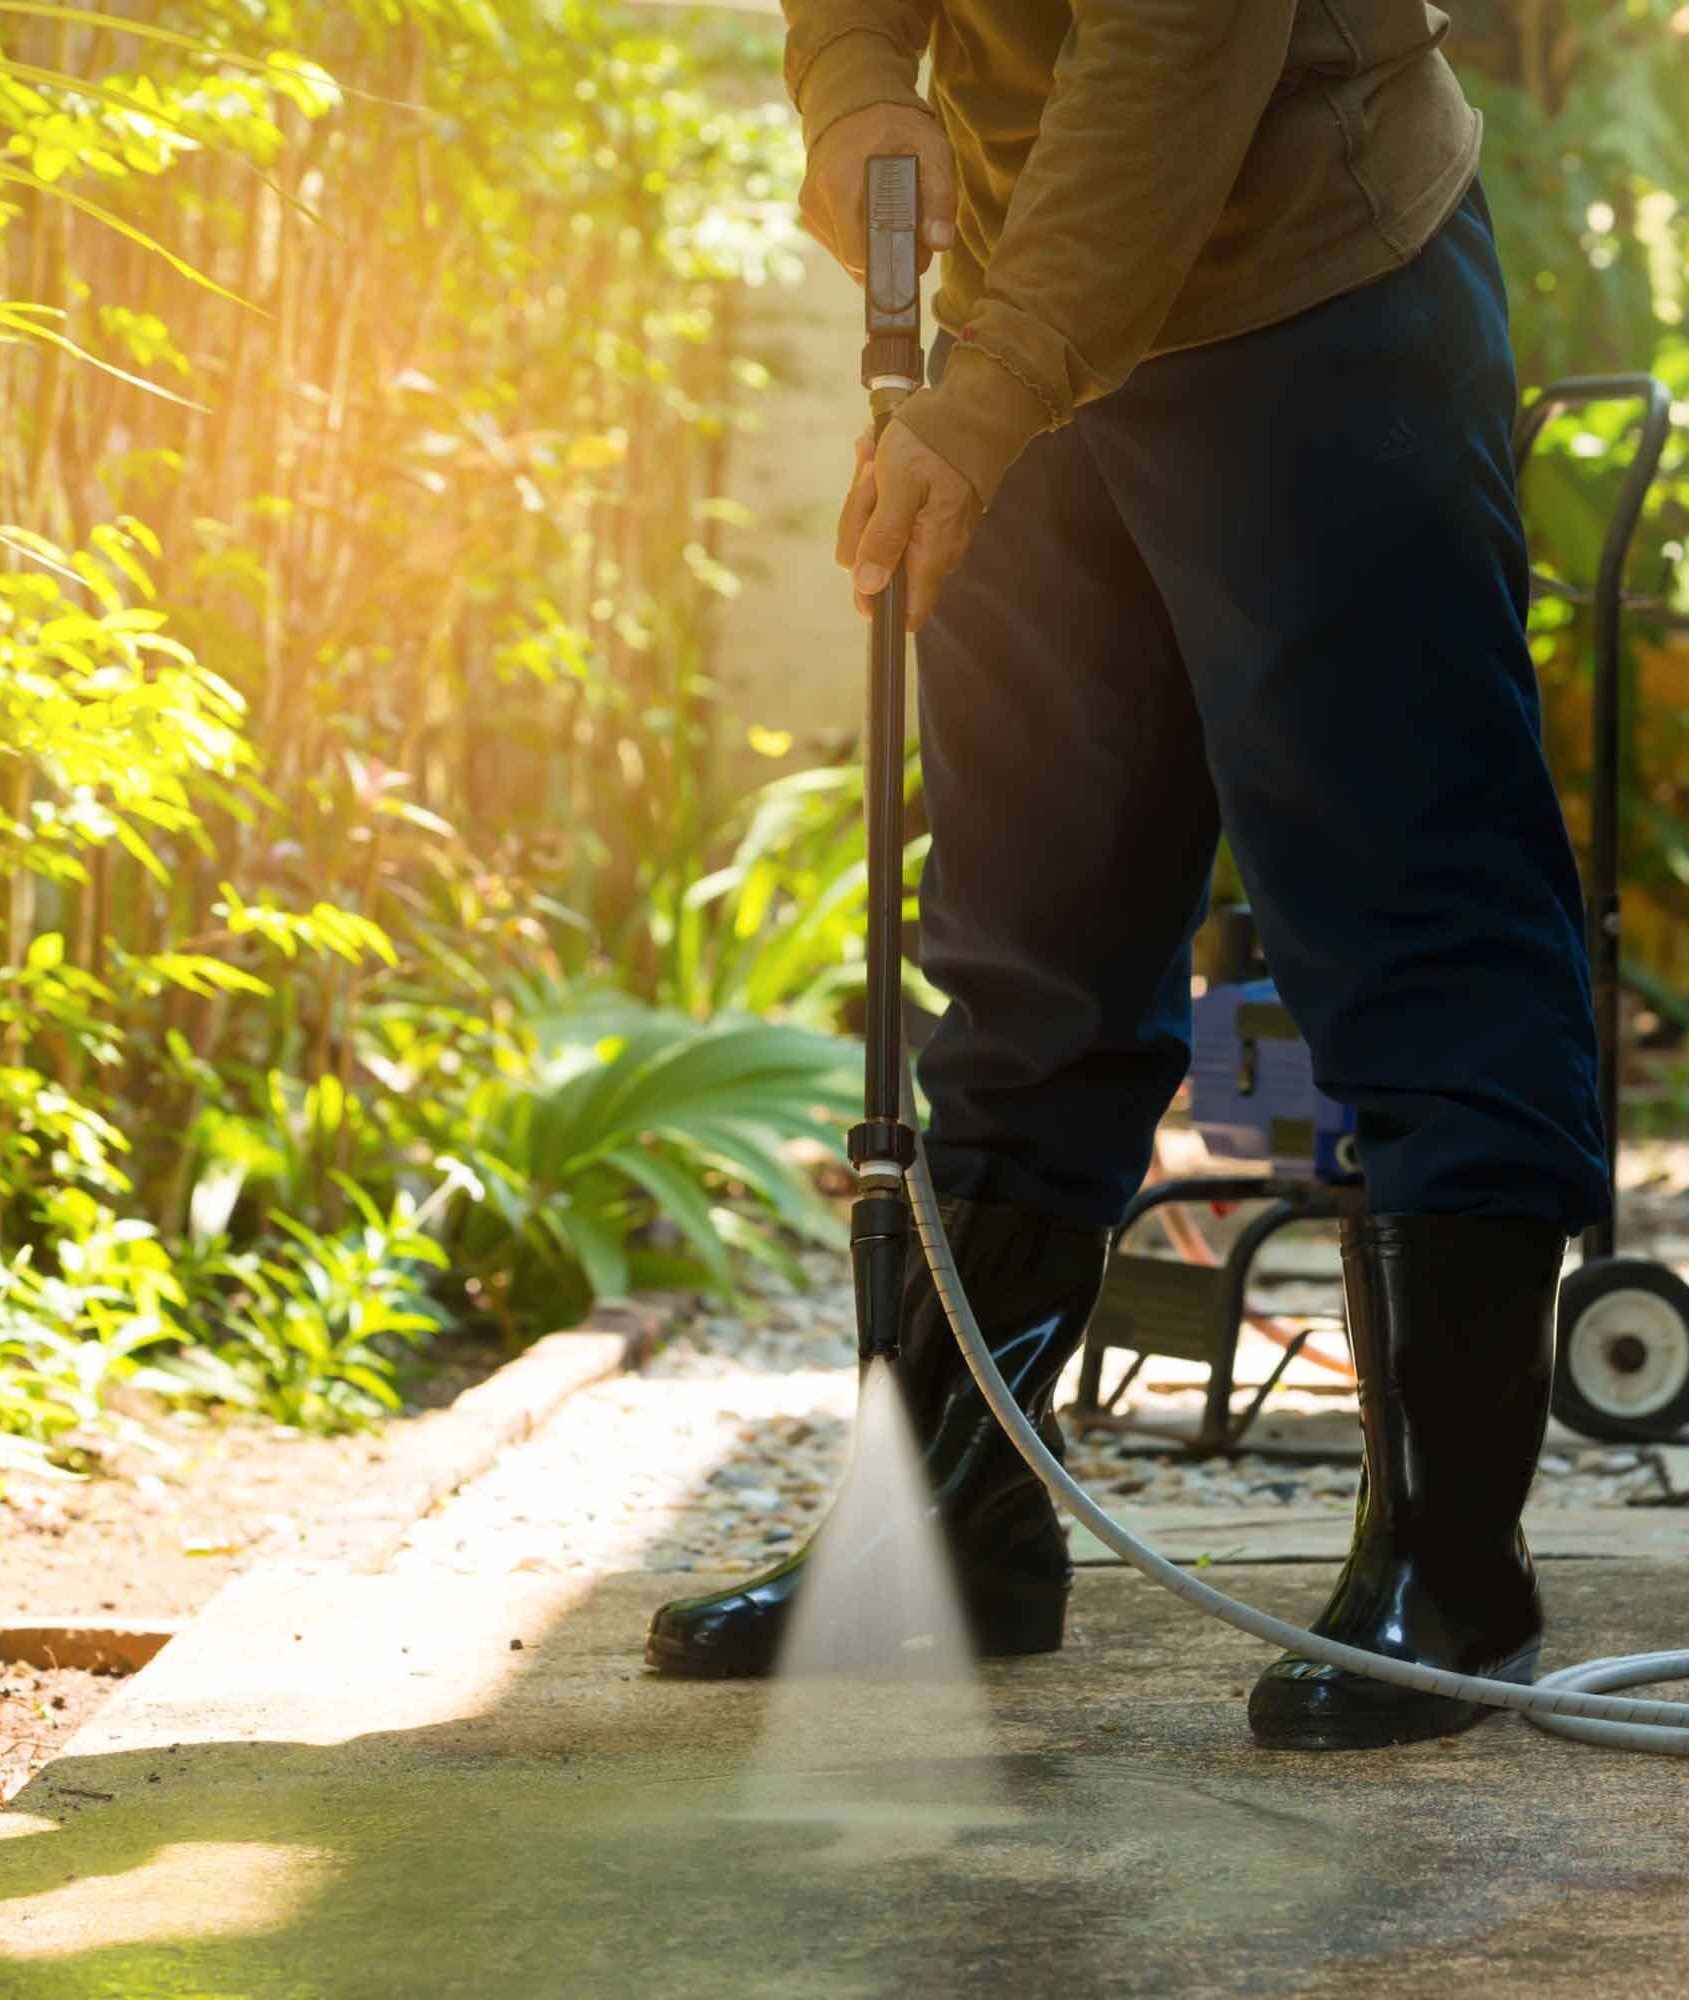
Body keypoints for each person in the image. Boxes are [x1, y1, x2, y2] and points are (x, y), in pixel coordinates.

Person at [646, 0, 1610, 1752]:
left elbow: (1182, 43)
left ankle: (1453, 1571)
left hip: (1306, 296)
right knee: (1031, 936)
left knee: (1413, 917)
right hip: (1032, 324)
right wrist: (855, 84)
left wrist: (994, 384)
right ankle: (951, 1538)